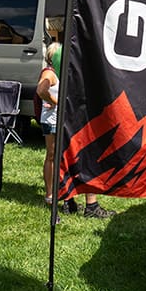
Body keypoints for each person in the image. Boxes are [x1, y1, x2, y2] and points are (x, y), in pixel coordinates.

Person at [38, 42, 113, 221]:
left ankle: (67, 199)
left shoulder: (65, 72)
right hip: (54, 121)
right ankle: (58, 197)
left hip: (63, 121)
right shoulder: (50, 72)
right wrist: (57, 102)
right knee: (61, 156)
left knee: (63, 157)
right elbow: (41, 90)